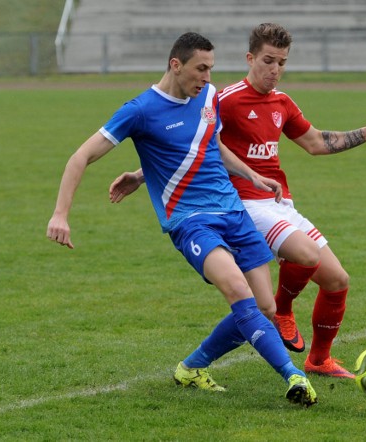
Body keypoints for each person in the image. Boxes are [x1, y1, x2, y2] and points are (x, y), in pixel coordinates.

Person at [109, 23, 366, 379]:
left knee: (338, 279)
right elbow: (190, 144)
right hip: (242, 203)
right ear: (250, 58)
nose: (274, 70)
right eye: (268, 61)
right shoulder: (224, 99)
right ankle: (283, 311)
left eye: (281, 63)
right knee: (304, 257)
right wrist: (141, 175)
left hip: (278, 202)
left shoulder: (282, 103)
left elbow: (316, 143)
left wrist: (365, 134)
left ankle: (319, 360)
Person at [46, 32, 317, 407]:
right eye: (200, 69)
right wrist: (61, 214)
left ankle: (191, 368)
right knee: (239, 292)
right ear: (176, 65)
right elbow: (81, 156)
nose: (207, 78)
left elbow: (209, 144)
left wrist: (251, 175)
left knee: (265, 307)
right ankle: (294, 376)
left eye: (211, 69)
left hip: (234, 212)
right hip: (191, 221)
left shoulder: (207, 97)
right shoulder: (140, 110)